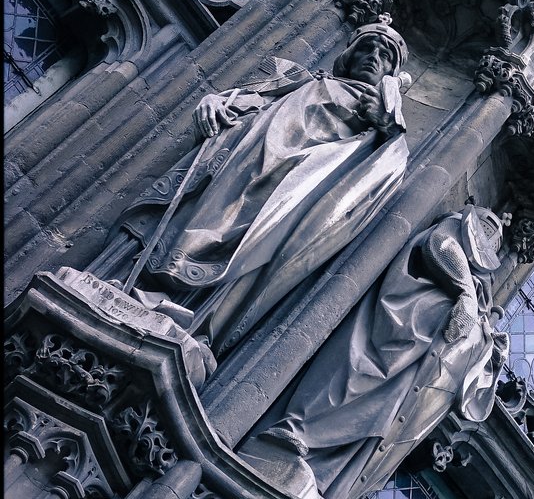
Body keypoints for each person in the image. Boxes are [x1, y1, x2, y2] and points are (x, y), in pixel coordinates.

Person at [125, 20, 411, 351]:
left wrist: (387, 123)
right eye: (366, 47)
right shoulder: (300, 79)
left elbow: (382, 171)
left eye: (385, 55)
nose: (374, 56)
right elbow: (249, 99)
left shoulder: (381, 129)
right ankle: (152, 287)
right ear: (349, 54)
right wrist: (217, 101)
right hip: (254, 158)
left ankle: (194, 317)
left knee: (257, 244)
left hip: (302, 186)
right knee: (209, 219)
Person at [240, 207, 508, 499]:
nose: (488, 237)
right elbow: (439, 245)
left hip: (421, 378)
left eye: (494, 238)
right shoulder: (453, 231)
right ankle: (295, 435)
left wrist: (489, 348)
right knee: (359, 378)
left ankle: (324, 486)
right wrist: (465, 295)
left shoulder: (481, 292)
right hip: (405, 329)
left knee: (383, 425)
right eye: (487, 226)